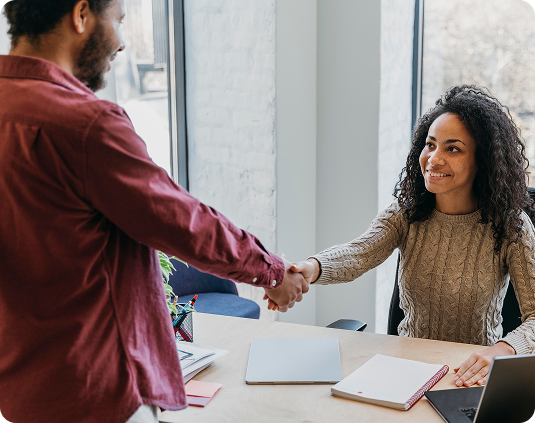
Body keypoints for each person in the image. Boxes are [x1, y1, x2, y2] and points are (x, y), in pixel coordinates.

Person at [0, 1, 308, 422]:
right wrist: (270, 271)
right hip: (90, 393)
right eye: (119, 21)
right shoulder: (85, 125)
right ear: (81, 14)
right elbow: (182, 222)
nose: (122, 43)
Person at [287, 85, 535, 389]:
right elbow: (358, 253)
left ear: (483, 161)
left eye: (453, 148)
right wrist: (309, 268)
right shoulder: (406, 212)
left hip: (469, 376)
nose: (434, 159)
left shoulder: (511, 226)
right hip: (405, 370)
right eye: (430, 144)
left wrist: (503, 350)